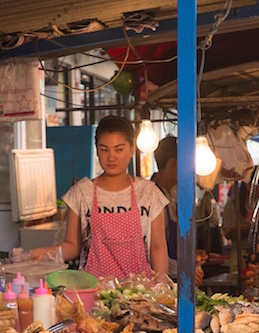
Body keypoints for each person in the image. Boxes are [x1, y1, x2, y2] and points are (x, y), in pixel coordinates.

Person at [34, 115, 168, 278]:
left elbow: (158, 247)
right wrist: (42, 253)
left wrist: (162, 286)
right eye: (104, 149)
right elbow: (72, 246)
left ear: (132, 149)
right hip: (94, 290)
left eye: (119, 149)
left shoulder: (149, 193)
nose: (111, 157)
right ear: (96, 150)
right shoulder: (81, 192)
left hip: (139, 293)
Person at [150, 135, 205, 286]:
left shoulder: (168, 196)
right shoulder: (153, 199)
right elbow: (153, 248)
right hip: (166, 283)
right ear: (174, 163)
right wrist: (185, 270)